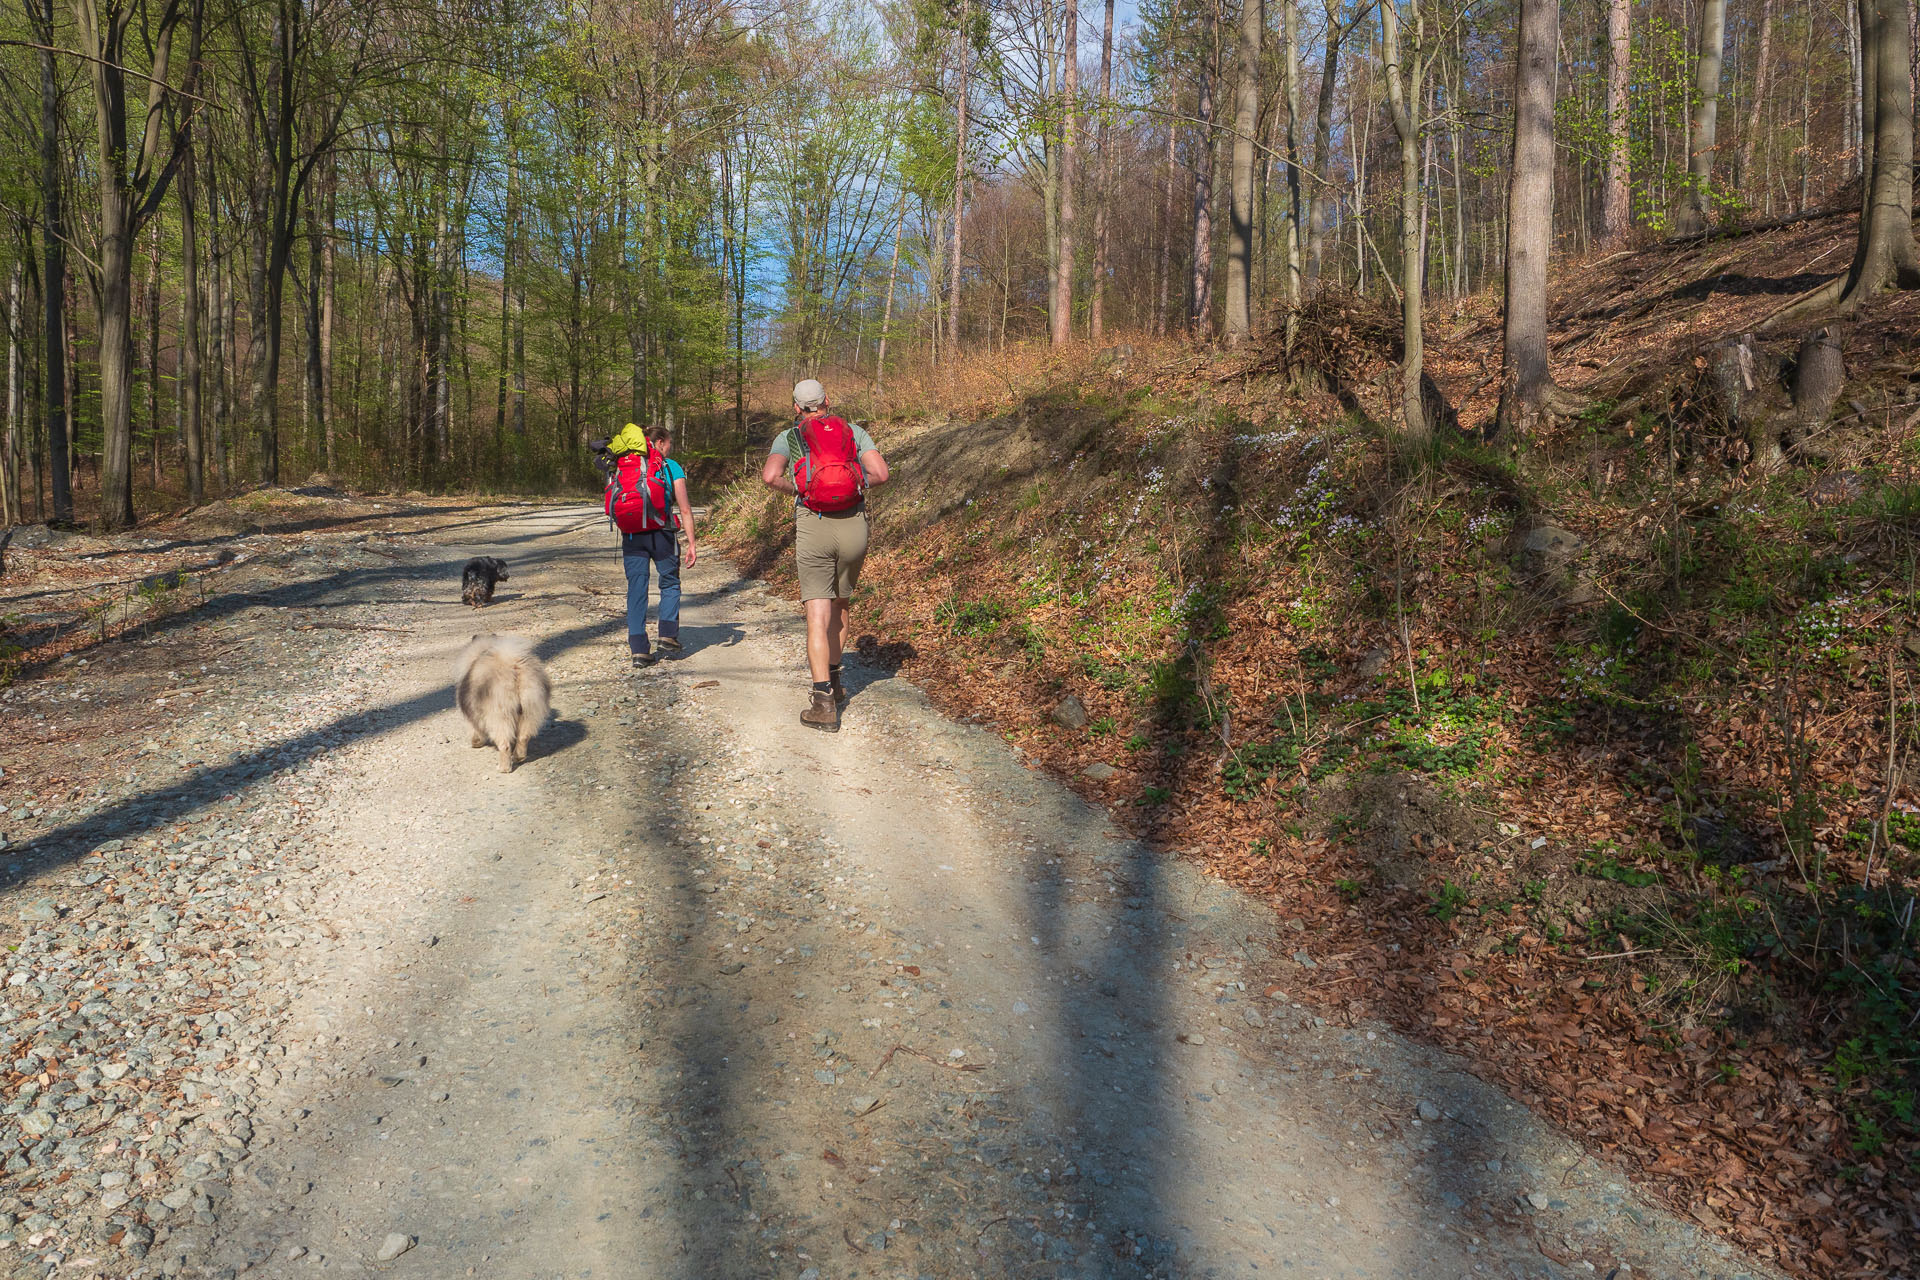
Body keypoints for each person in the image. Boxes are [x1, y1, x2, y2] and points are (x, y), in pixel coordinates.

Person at [761, 378, 889, 731]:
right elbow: (881, 473)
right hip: (853, 524)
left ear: (796, 407)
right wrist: (857, 484)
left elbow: (770, 476)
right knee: (840, 603)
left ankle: (823, 703)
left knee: (816, 611)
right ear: (827, 401)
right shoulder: (854, 431)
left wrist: (799, 489)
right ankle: (835, 680)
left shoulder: (790, 437)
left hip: (813, 523)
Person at [606, 422, 697, 668]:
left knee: (637, 589)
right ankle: (667, 634)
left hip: (632, 535)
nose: (668, 450)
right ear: (659, 443)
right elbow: (685, 508)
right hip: (662, 534)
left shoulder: (624, 465)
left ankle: (639, 650)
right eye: (667, 444)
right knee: (669, 582)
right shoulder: (670, 467)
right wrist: (692, 543)